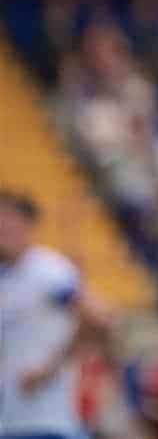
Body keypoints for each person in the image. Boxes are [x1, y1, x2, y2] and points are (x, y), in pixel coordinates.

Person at [0, 188, 110, 439]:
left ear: (26, 224)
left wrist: (50, 368)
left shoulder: (48, 271)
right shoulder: (5, 276)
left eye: (8, 219)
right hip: (10, 419)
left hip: (48, 420)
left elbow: (97, 317)